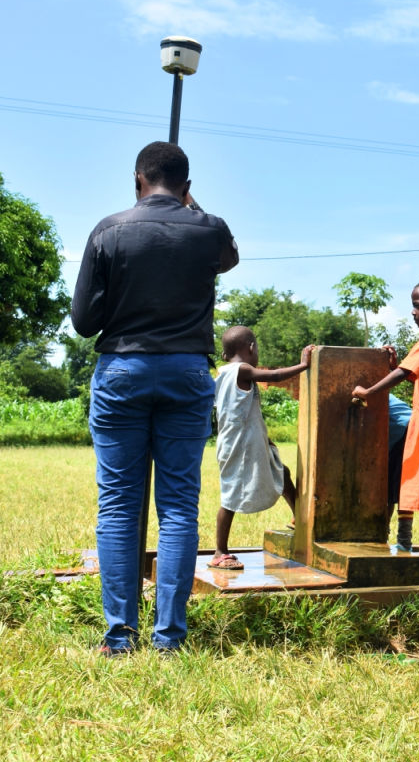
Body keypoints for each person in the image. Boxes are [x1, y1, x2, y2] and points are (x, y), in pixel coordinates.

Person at [71, 141, 239, 655]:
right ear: (187, 187)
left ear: (137, 181)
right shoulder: (209, 228)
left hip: (122, 369)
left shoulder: (108, 229)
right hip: (187, 372)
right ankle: (169, 639)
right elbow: (228, 258)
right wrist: (194, 209)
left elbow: (84, 322)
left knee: (119, 505)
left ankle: (119, 636)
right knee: (179, 508)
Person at [352, 280, 419, 551]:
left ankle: (406, 542)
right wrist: (398, 366)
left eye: (417, 306)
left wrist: (368, 391)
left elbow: (404, 374)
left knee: (411, 482)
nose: (413, 312)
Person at [210, 326, 314, 570]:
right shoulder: (242, 369)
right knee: (232, 495)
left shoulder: (222, 371)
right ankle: (220, 552)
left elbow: (242, 412)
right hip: (241, 445)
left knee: (282, 472)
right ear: (251, 348)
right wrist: (304, 365)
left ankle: (300, 519)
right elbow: (275, 376)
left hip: (247, 440)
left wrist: (264, 438)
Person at [387, 394, 412, 547]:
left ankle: (404, 539)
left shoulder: (370, 393)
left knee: (401, 488)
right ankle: (384, 535)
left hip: (407, 433)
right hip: (400, 435)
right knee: (388, 488)